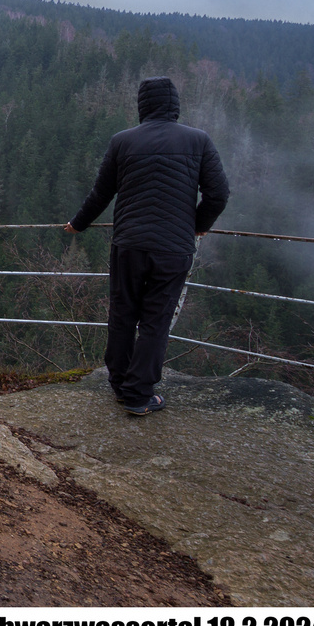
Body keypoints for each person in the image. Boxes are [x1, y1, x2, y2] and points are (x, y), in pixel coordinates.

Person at [64, 76, 230, 416]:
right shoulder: (198, 140)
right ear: (174, 105)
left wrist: (78, 224)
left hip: (129, 244)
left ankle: (120, 384)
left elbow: (101, 193)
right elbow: (218, 194)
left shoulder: (123, 141)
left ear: (142, 105)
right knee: (156, 319)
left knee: (123, 313)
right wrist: (197, 227)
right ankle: (140, 395)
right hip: (173, 247)